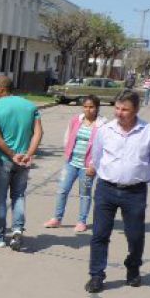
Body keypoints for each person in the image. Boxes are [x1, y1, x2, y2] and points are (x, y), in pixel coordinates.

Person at [84, 90, 150, 293]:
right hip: (106, 189)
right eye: (117, 108)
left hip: (135, 192)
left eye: (125, 109)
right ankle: (96, 275)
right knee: (100, 234)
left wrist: (138, 176)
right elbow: (98, 156)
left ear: (135, 109)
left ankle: (133, 267)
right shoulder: (105, 130)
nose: (119, 113)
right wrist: (109, 174)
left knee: (135, 235)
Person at [0, 75, 43, 251]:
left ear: (2, 89)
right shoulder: (30, 106)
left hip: (3, 159)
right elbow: (38, 133)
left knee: (0, 199)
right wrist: (28, 154)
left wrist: (11, 154)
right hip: (23, 161)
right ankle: (17, 230)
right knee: (18, 196)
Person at [43, 95, 105, 232]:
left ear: (97, 108)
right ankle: (57, 219)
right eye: (85, 107)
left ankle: (81, 221)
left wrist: (94, 165)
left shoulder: (102, 125)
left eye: (91, 107)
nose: (88, 110)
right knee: (62, 190)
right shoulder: (76, 120)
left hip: (88, 166)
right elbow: (68, 136)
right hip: (71, 162)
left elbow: (103, 148)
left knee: (84, 193)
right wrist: (68, 152)